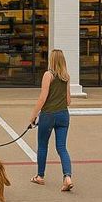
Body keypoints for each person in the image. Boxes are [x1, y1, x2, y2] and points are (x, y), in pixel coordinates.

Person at [28, 48, 73, 191]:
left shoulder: (48, 75)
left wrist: (33, 116)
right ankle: (67, 177)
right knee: (61, 147)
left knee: (42, 146)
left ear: (51, 60)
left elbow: (43, 97)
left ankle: (40, 176)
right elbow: (68, 101)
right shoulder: (66, 76)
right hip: (63, 115)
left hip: (48, 115)